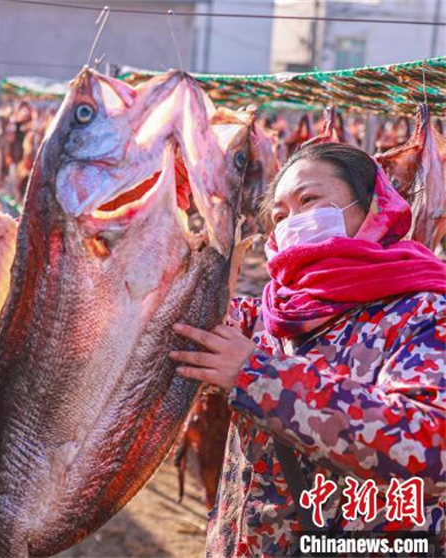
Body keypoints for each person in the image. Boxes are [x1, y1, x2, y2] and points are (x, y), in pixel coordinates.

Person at [170, 142, 446, 556]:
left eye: (309, 201)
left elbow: (427, 447)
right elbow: (168, 330)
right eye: (280, 216)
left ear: (373, 206)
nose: (293, 222)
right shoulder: (268, 315)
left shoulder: (424, 313)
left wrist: (256, 376)